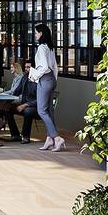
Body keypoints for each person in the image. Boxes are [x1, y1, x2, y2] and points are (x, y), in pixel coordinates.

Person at [31, 22, 64, 152]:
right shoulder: (50, 47)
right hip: (51, 79)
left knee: (41, 111)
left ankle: (56, 137)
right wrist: (54, 80)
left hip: (44, 79)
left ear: (41, 33)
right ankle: (50, 139)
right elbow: (55, 66)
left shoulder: (41, 48)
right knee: (49, 111)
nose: (35, 35)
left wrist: (35, 76)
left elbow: (44, 67)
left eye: (36, 33)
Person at [6, 60, 40, 143]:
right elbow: (17, 91)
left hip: (36, 106)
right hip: (24, 104)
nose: (26, 69)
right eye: (25, 67)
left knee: (28, 111)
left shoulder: (38, 80)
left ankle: (25, 136)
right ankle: (15, 135)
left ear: (34, 69)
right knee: (7, 109)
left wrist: (25, 105)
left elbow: (40, 99)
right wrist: (7, 100)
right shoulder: (24, 78)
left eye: (28, 67)